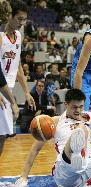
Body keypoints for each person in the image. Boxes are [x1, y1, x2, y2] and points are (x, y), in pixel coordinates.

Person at [15, 89, 91, 187]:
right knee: (81, 128)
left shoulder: (87, 116)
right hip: (66, 172)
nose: (78, 110)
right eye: (74, 107)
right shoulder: (53, 122)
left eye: (81, 107)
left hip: (87, 168)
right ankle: (76, 156)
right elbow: (35, 149)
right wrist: (24, 176)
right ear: (66, 104)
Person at [0, 0, 36, 137]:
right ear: (10, 16)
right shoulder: (0, 35)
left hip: (7, 89)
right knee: (3, 135)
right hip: (1, 89)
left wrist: (26, 92)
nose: (22, 23)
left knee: (4, 135)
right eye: (19, 19)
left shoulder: (19, 36)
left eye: (24, 20)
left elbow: (18, 66)